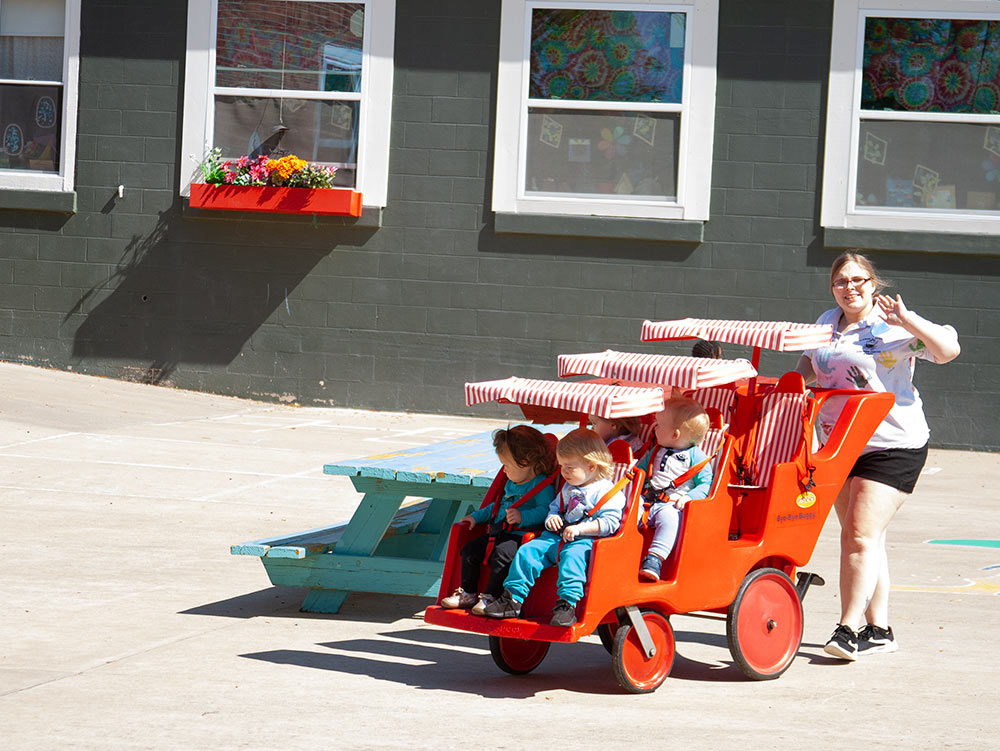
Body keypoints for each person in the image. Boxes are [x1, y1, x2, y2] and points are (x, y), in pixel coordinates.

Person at [796, 251, 960, 661]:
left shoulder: (892, 325)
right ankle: (880, 629)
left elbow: (947, 350)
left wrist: (907, 320)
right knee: (867, 538)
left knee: (858, 536)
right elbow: (810, 364)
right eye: (840, 282)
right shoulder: (825, 323)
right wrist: (794, 384)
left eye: (858, 280)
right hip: (840, 444)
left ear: (873, 283)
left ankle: (847, 628)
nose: (849, 288)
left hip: (892, 445)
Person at [484, 428, 626, 626]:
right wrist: (552, 517)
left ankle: (567, 605)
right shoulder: (569, 487)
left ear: (591, 466)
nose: (563, 472)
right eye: (561, 466)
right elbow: (554, 508)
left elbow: (610, 523)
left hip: (586, 541)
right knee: (527, 551)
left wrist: (581, 530)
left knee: (572, 558)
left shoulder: (607, 492)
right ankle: (513, 598)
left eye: (569, 467)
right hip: (556, 537)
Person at [440, 425, 557, 616]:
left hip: (521, 537)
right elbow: (495, 508)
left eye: (507, 465)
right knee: (470, 550)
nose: (504, 470)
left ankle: (490, 597)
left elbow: (547, 511)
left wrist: (523, 517)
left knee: (502, 555)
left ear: (525, 463)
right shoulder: (510, 482)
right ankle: (468, 593)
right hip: (498, 532)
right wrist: (475, 517)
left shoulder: (541, 485)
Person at [638, 398, 714, 581]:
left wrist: (689, 497)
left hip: (671, 504)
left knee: (670, 520)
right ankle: (623, 547)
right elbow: (640, 470)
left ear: (674, 434)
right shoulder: (656, 450)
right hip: (647, 499)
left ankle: (655, 559)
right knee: (626, 510)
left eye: (658, 425)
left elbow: (705, 482)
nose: (654, 428)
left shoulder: (695, 456)